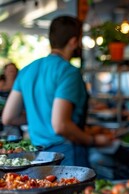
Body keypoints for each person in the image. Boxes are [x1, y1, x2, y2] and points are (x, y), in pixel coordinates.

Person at [2, 15, 112, 167]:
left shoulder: (27, 70)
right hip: (66, 153)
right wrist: (93, 140)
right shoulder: (68, 72)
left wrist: (38, 117)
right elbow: (60, 125)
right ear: (74, 41)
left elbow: (8, 117)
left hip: (37, 154)